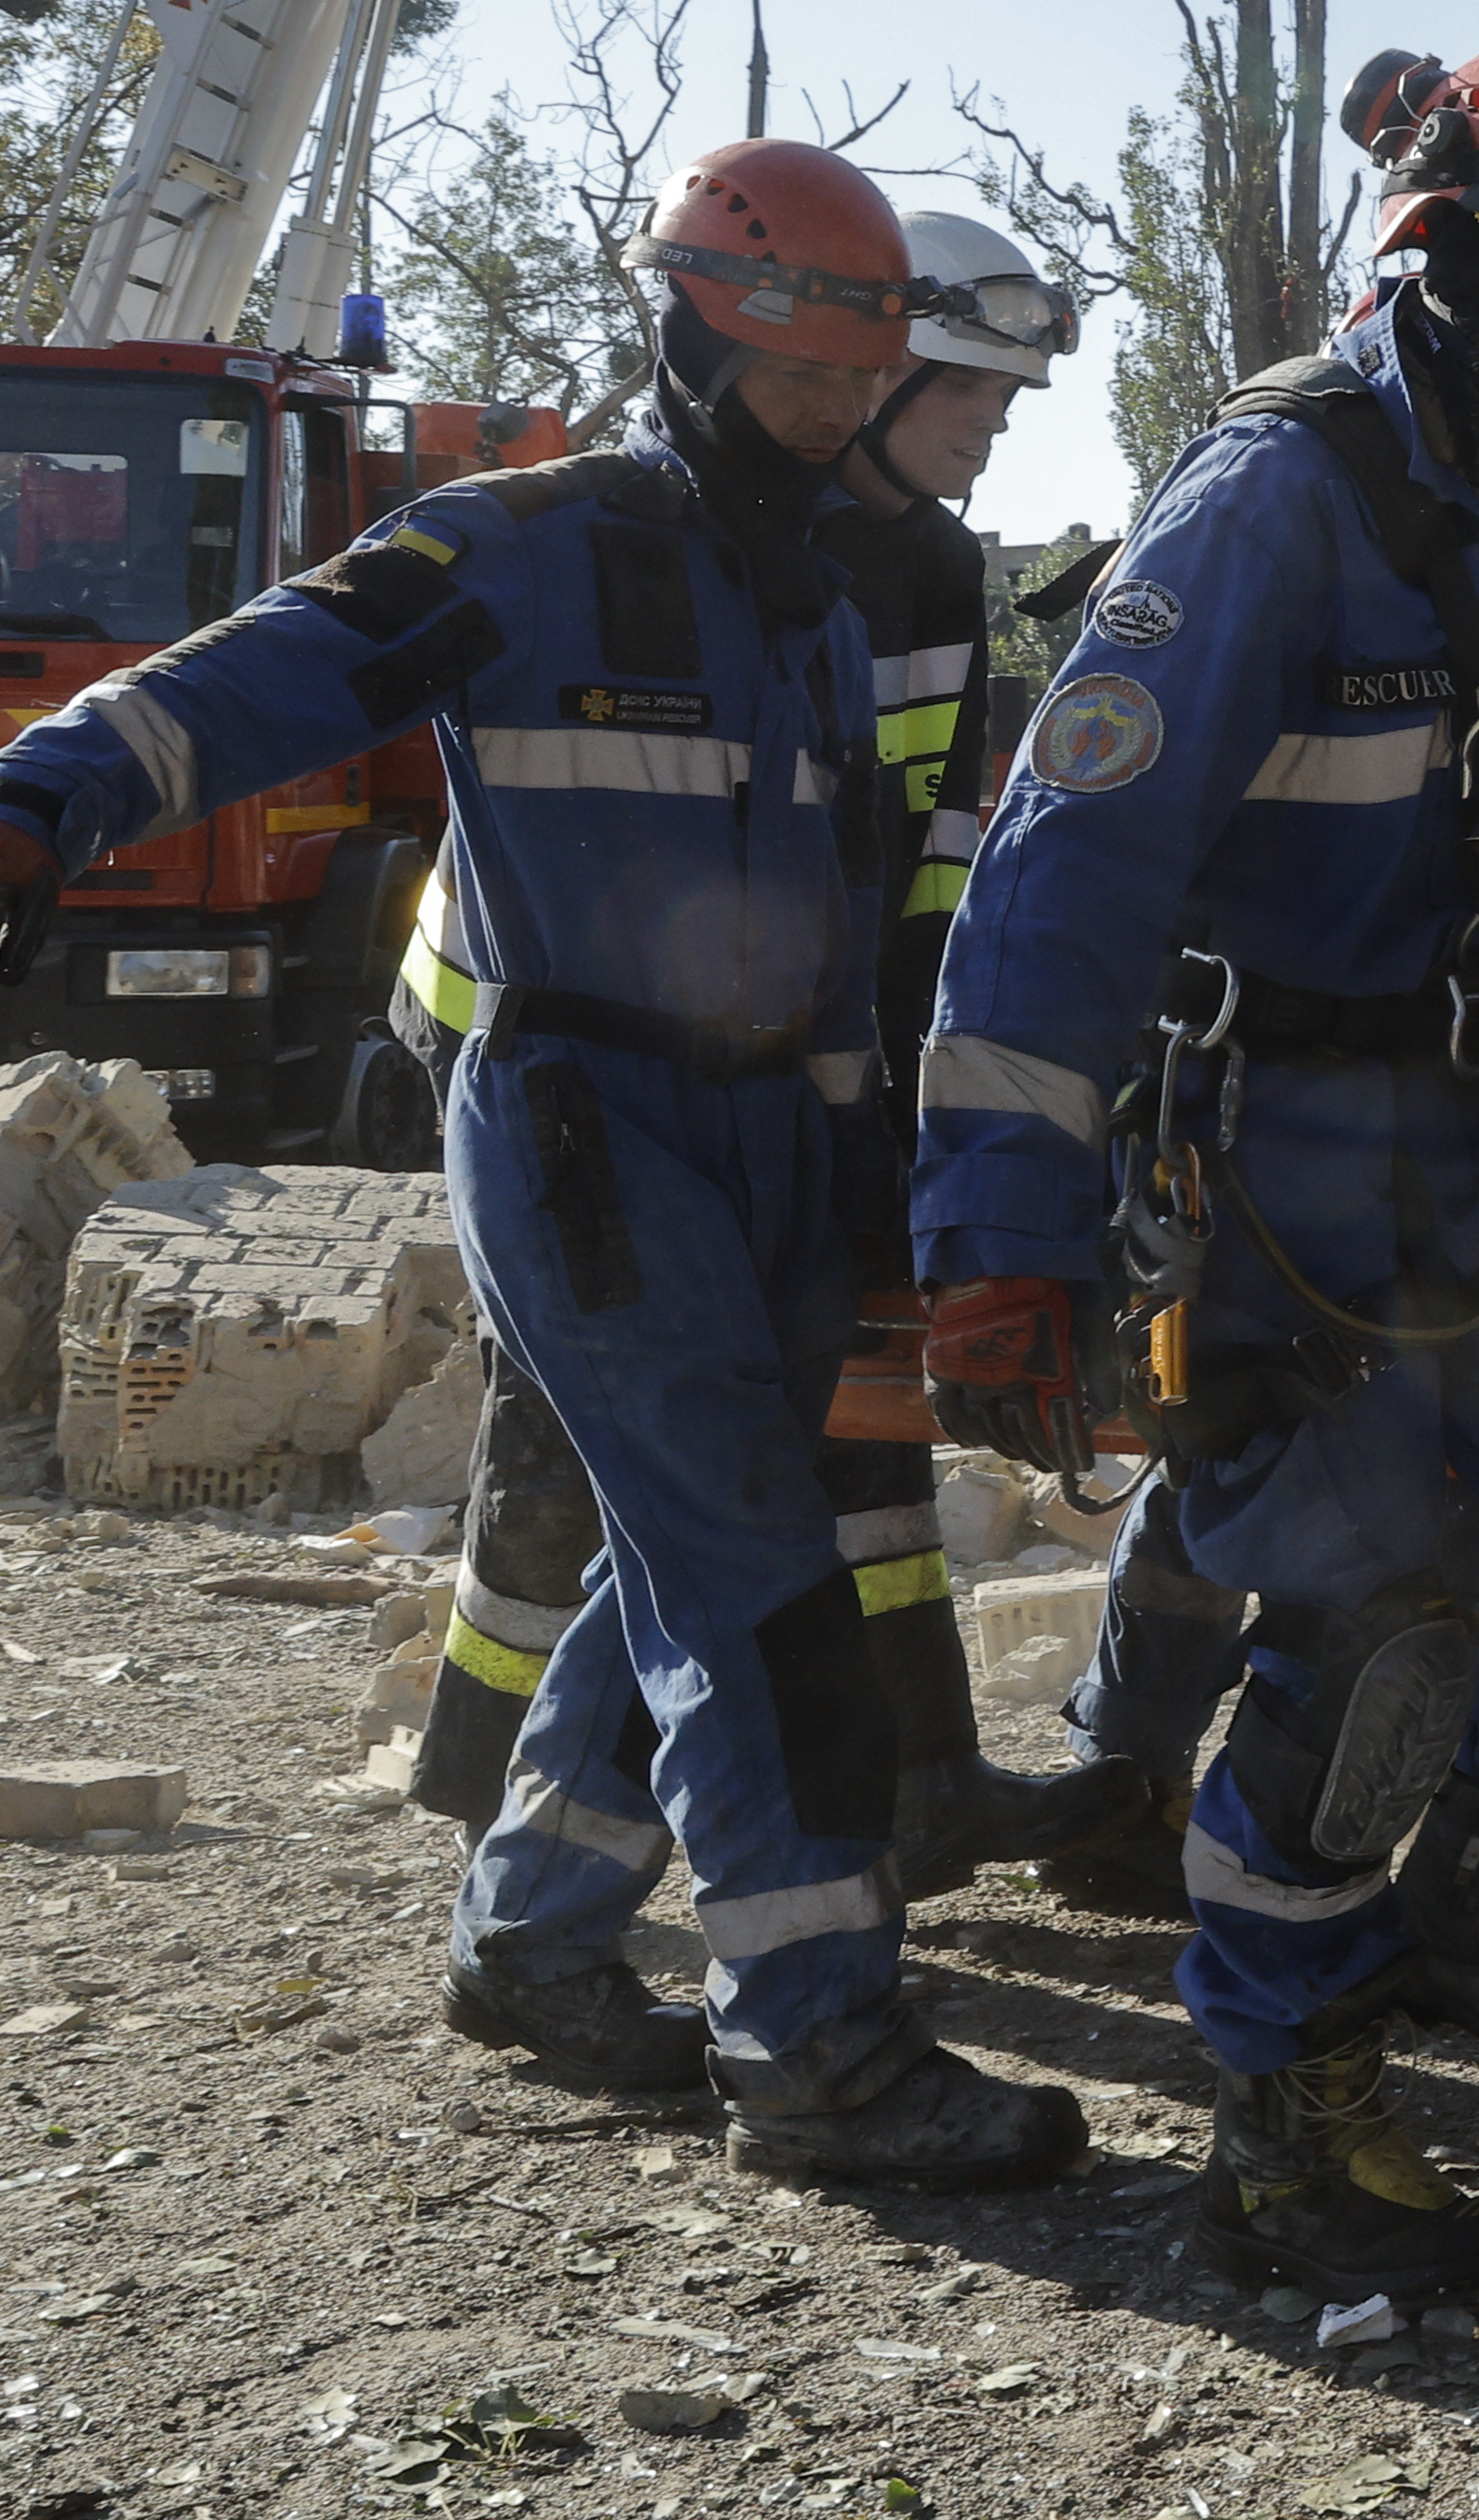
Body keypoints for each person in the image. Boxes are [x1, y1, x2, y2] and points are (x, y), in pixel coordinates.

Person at [0, 143, 1082, 2189]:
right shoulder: (532, 543)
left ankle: (529, 1943)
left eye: (850, 380)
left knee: (676, 1559)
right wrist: (11, 810)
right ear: (692, 331)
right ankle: (827, 2052)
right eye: (791, 373)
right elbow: (243, 679)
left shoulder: (822, 588)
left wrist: (891, 1150)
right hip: (595, 1135)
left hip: (783, 1125)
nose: (824, 414)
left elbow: (858, 887)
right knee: (769, 1597)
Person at [910, 41, 1479, 2301]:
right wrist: (1000, 1239)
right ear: (1456, 274)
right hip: (1287, 1173)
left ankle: (1454, 1916)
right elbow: (1061, 890)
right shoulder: (1263, 510)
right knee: (1373, 1647)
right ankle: (1284, 2117)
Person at [408, 209, 1133, 1899]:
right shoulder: (661, 537)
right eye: (965, 389)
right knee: (576, 1456)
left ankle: (920, 1776)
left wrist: (905, 1103)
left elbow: (918, 867)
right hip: (558, 1065)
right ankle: (488, 1798)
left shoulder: (931, 574)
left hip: (782, 1056)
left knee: (842, 1435)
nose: (989, 426)